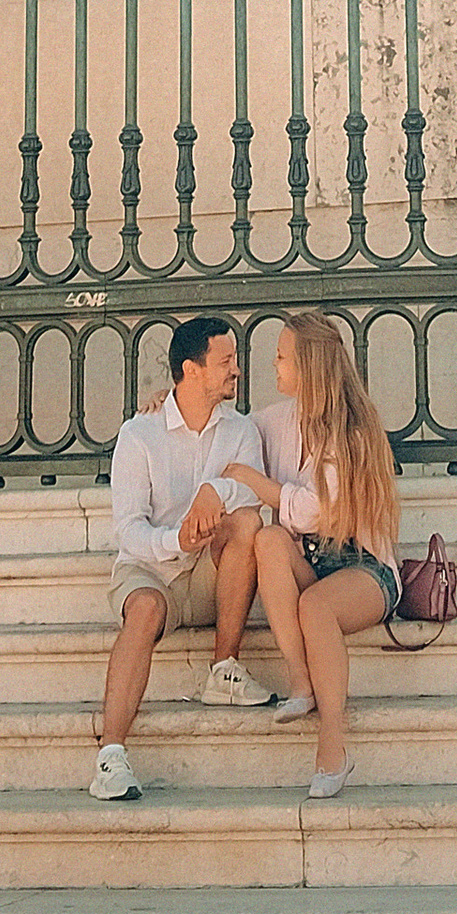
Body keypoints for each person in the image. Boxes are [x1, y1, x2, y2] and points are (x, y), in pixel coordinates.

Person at [90, 314, 276, 801]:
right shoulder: (139, 434)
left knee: (247, 524)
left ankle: (224, 669)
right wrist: (178, 540)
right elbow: (128, 530)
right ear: (191, 371)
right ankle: (110, 757)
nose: (237, 370)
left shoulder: (241, 430)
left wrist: (217, 490)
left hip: (211, 578)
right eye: (226, 361)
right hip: (151, 570)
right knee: (146, 609)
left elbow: (252, 499)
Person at [223, 310, 402, 801]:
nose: (274, 367)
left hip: (364, 566)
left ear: (310, 367)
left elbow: (319, 512)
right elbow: (224, 430)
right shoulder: (277, 420)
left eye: (281, 358)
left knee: (316, 606)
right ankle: (301, 682)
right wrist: (169, 403)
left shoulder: (356, 431)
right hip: (310, 560)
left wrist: (262, 486)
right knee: (266, 541)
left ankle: (334, 742)